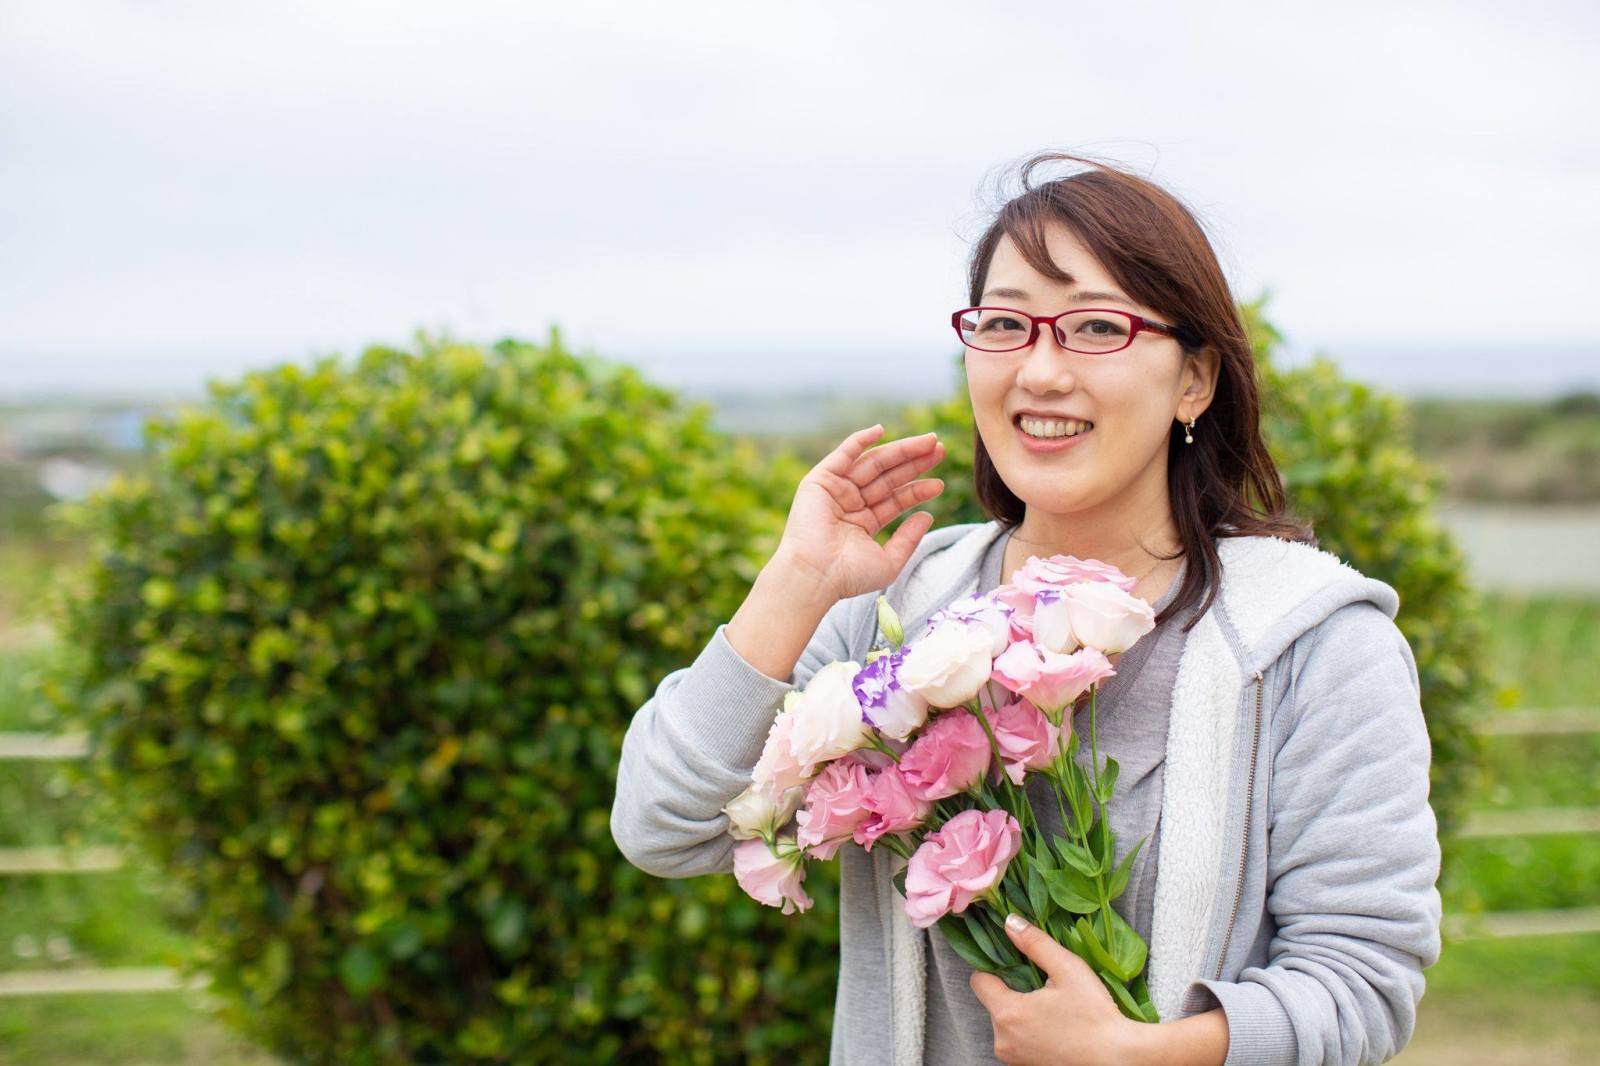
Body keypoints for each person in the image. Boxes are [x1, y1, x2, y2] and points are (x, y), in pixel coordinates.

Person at [610, 151, 1442, 1066]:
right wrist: (797, 582)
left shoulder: (1311, 646)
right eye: (1005, 325)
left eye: (1095, 327)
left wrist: (1137, 1054)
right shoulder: (896, 614)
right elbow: (662, 827)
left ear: (1196, 379)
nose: (1040, 372)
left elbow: (1361, 985)